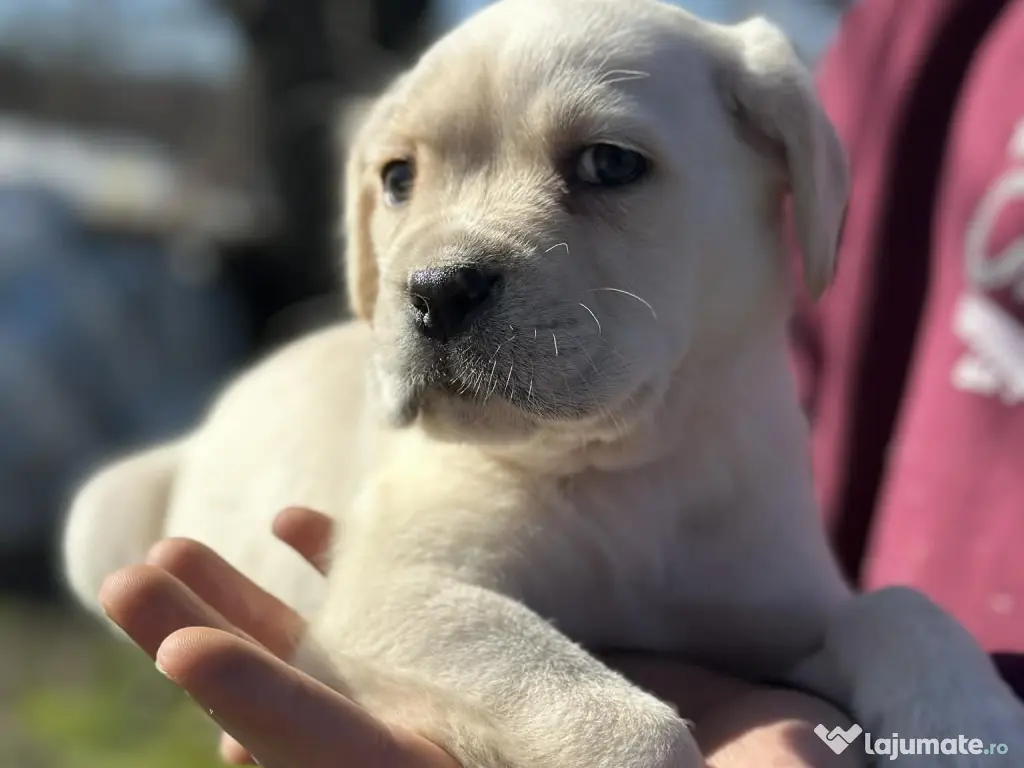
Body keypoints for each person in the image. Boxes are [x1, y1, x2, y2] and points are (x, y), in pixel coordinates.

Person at [100, 0, 1024, 763]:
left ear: (790, 174)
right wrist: (614, 742)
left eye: (606, 165)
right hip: (187, 512)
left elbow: (810, 641)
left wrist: (930, 681)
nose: (441, 269)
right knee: (109, 513)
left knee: (892, 623)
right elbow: (382, 615)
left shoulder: (746, 442)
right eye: (402, 175)